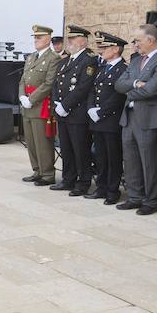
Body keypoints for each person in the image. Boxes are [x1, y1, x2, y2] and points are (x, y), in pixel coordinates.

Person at [114, 22, 157, 214]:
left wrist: (130, 91)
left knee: (149, 161)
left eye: (138, 40)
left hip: (149, 119)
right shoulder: (136, 60)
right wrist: (136, 83)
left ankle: (150, 200)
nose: (135, 44)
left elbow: (153, 89)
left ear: (150, 40)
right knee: (130, 160)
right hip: (129, 117)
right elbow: (119, 84)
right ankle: (134, 197)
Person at [50, 25, 95, 195]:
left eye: (73, 38)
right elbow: (56, 84)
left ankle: (83, 183)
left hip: (77, 113)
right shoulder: (65, 61)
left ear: (83, 41)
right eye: (69, 38)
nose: (69, 42)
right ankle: (68, 179)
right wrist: (57, 103)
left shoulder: (88, 60)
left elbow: (83, 87)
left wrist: (65, 105)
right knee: (66, 148)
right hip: (63, 112)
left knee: (80, 150)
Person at [87, 32, 128, 203]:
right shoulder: (102, 68)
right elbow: (92, 89)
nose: (101, 50)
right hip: (97, 120)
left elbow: (118, 96)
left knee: (113, 157)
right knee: (100, 157)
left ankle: (112, 191)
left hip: (111, 120)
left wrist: (101, 112)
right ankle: (101, 187)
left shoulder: (123, 69)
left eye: (105, 47)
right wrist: (91, 108)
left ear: (116, 49)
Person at [19, 25, 59, 185]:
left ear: (48, 39)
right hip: (27, 105)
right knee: (31, 141)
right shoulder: (31, 57)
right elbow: (23, 79)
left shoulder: (53, 58)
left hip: (41, 105)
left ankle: (47, 174)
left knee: (42, 142)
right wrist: (22, 96)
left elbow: (49, 83)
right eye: (34, 37)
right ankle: (37, 170)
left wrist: (32, 99)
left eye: (39, 37)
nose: (35, 40)